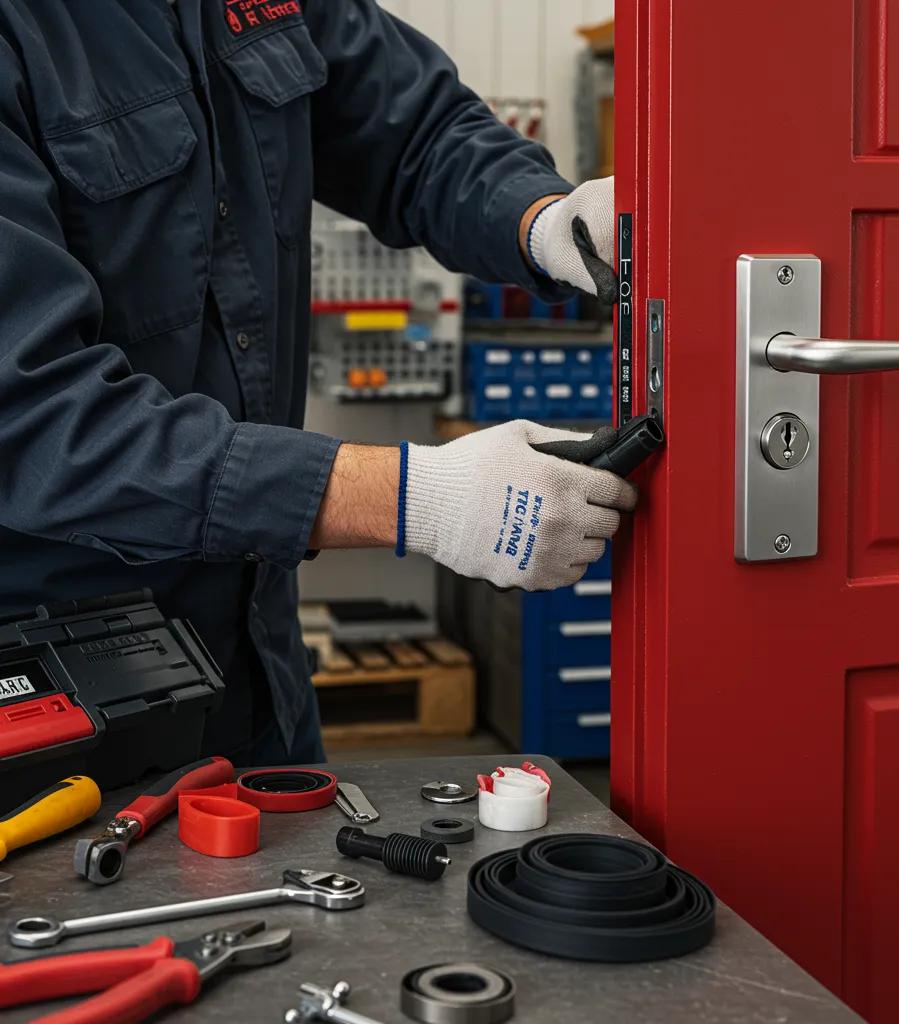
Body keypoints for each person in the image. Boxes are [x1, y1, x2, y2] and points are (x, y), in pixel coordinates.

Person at [0, 0, 634, 765]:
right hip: (57, 691)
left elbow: (414, 134)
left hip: (257, 650)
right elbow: (33, 419)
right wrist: (411, 496)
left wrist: (544, 220)